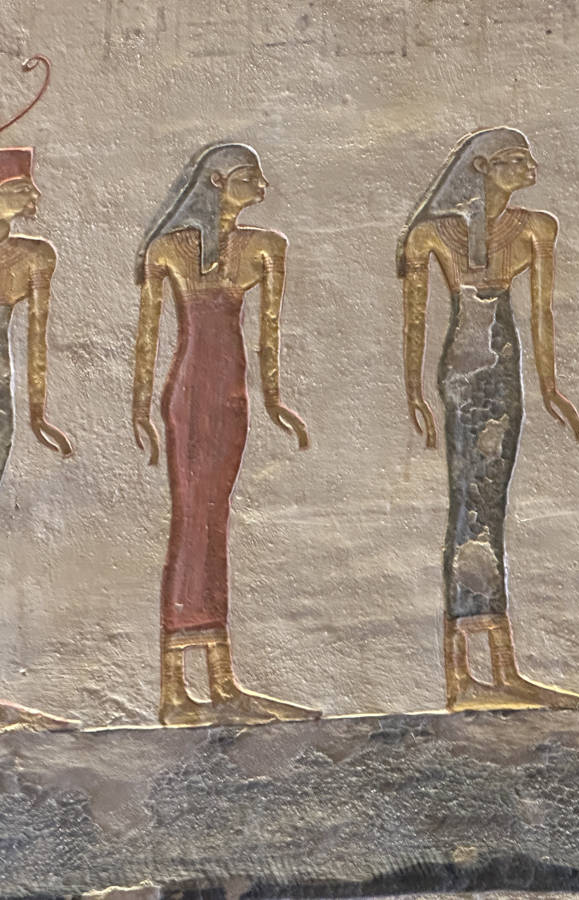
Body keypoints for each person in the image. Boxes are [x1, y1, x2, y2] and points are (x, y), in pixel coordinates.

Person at [398, 127, 579, 711]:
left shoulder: (536, 229)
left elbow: (542, 315)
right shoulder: (434, 234)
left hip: (501, 366)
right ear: (481, 167)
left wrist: (551, 387)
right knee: (471, 510)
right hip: (467, 369)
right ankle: (466, 673)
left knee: (490, 509)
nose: (529, 166)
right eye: (514, 159)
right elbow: (416, 321)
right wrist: (414, 390)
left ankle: (497, 667)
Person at [133, 142, 318, 726]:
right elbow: (148, 337)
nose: (261, 185)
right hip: (191, 394)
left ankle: (218, 680)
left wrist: (275, 400)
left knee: (214, 522)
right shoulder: (168, 250)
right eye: (248, 176)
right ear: (215, 182)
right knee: (192, 522)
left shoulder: (266, 248)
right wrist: (141, 407)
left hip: (230, 394)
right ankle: (174, 689)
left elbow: (268, 339)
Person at [0, 55, 75, 732]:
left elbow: (36, 343)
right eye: (23, 188)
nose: (34, 198)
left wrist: (39, 415)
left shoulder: (32, 256)